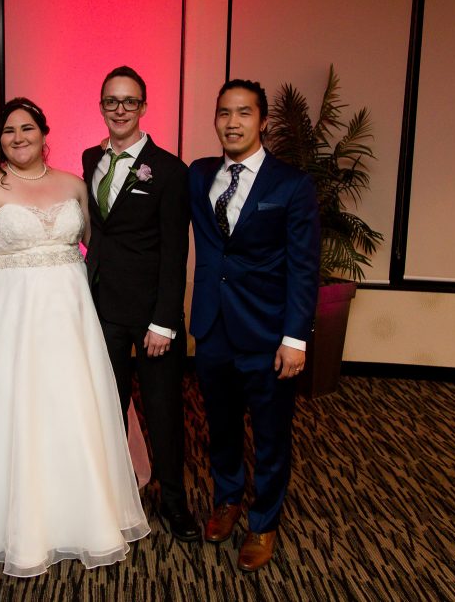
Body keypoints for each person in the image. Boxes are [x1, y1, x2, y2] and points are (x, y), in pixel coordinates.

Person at [0, 98, 149, 577]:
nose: (18, 137)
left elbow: (97, 247)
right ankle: (15, 520)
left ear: (44, 134)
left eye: (27, 128)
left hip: (70, 318)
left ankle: (81, 509)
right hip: (10, 318)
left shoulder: (73, 184)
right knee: (16, 409)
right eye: (8, 131)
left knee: (72, 406)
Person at [188, 79, 320, 571]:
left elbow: (304, 266)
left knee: (270, 435)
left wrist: (295, 337)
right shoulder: (200, 175)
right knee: (220, 427)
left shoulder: (291, 184)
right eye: (224, 113)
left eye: (244, 113)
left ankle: (263, 521)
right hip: (213, 327)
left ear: (262, 121)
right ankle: (227, 500)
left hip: (267, 333)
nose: (233, 122)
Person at [81, 66, 198, 541]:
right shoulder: (91, 157)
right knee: (106, 409)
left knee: (163, 411)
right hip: (103, 309)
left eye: (129, 101)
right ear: (101, 106)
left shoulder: (170, 170)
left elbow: (175, 250)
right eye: (112, 101)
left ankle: (174, 501)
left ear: (144, 107)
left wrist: (165, 321)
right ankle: (111, 498)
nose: (120, 109)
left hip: (152, 315)